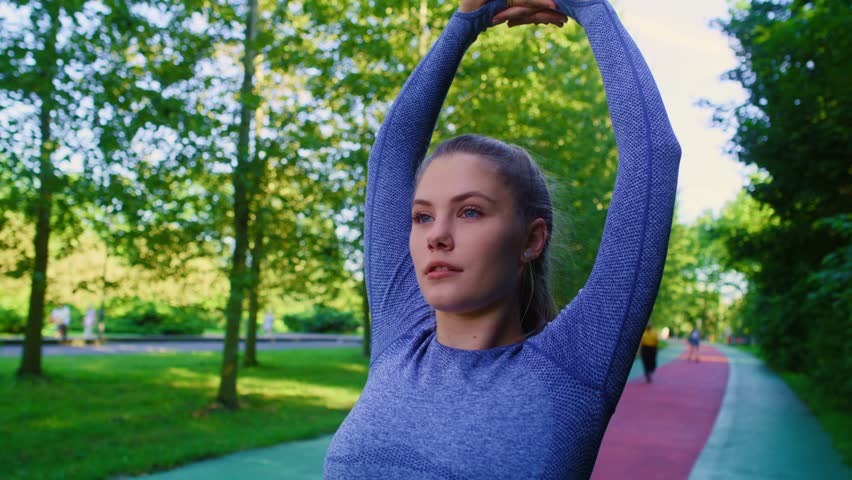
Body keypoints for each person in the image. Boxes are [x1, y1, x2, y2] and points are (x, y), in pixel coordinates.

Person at [323, 0, 681, 478]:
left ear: (531, 240)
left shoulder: (575, 366)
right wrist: (465, 21)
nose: (438, 237)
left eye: (470, 211)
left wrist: (590, 8)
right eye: (422, 216)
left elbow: (653, 156)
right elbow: (389, 161)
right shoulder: (400, 334)